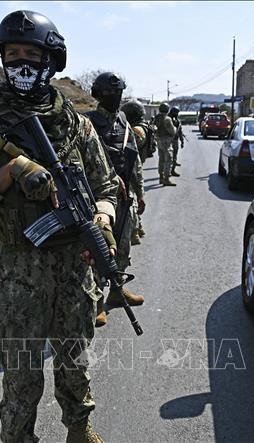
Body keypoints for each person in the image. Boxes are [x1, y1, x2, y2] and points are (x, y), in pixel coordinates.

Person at [0, 10, 119, 443]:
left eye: (31, 54)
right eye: (13, 54)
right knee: (22, 378)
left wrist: (102, 216)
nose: (21, 63)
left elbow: (108, 185)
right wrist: (10, 173)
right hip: (17, 273)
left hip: (74, 271)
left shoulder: (76, 125)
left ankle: (79, 430)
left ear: (51, 60)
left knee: (74, 361)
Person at [85, 73, 145, 328]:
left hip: (125, 197)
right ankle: (96, 302)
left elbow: (133, 157)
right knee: (101, 249)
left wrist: (139, 192)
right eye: (108, 94)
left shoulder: (123, 121)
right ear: (97, 95)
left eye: (118, 93)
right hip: (99, 198)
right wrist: (108, 178)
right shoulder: (88, 122)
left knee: (123, 246)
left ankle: (117, 292)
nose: (114, 98)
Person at [121, 99, 154, 243]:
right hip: (134, 164)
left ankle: (134, 232)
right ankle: (138, 226)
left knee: (132, 198)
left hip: (133, 166)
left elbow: (129, 146)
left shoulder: (136, 129)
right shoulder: (141, 126)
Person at [153, 102, 177, 186]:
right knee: (168, 160)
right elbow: (172, 131)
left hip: (159, 140)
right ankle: (166, 179)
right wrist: (175, 128)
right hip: (166, 141)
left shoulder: (156, 118)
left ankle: (161, 177)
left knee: (161, 159)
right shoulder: (167, 119)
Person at [168, 106, 184, 177]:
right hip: (168, 140)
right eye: (176, 112)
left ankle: (172, 170)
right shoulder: (168, 120)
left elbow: (180, 131)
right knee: (168, 157)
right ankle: (168, 171)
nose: (177, 114)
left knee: (174, 155)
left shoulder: (177, 120)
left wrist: (182, 140)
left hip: (175, 140)